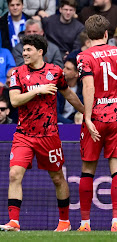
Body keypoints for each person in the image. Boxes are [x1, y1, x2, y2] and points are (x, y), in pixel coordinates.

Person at [0, 34, 84, 232]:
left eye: (28, 50)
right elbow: (15, 101)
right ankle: (14, 222)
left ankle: (64, 222)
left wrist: (85, 113)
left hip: (49, 135)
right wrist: (38, 89)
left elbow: (69, 94)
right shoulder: (17, 73)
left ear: (40, 52)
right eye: (24, 50)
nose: (24, 53)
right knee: (14, 174)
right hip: (23, 134)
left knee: (57, 178)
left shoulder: (55, 71)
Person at [76, 15, 117, 232]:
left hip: (95, 118)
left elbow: (88, 87)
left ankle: (85, 224)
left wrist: (86, 116)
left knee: (87, 171)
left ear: (88, 35)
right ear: (106, 34)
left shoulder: (84, 56)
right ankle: (116, 222)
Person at [57, 58, 83, 124]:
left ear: (77, 74)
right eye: (64, 67)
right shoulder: (57, 88)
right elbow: (55, 114)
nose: (63, 71)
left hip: (77, 123)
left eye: (68, 69)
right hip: (59, 124)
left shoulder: (82, 90)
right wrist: (71, 124)